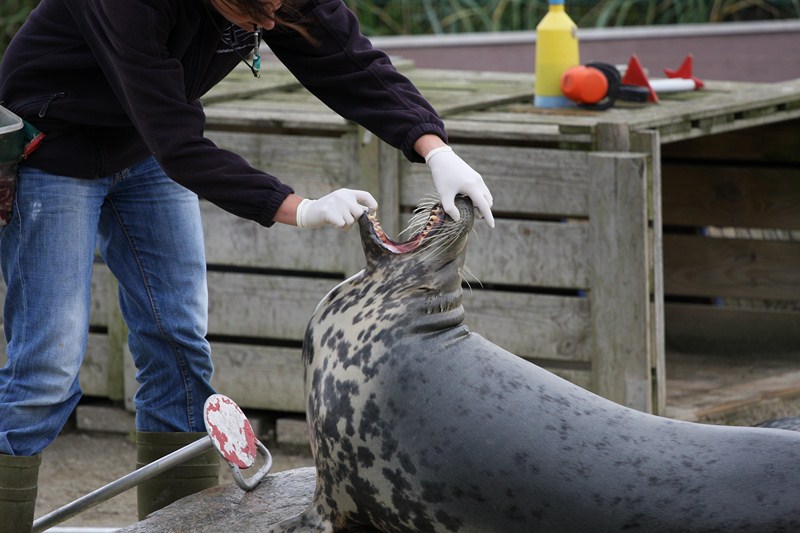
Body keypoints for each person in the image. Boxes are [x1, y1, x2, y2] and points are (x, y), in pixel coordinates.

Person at [0, 0, 494, 528]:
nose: (269, 24)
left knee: (180, 349)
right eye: (253, 14)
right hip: (50, 147)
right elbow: (178, 140)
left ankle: (177, 526)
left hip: (141, 148)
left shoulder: (272, 0)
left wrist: (433, 147)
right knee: (47, 369)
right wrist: (298, 209)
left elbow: (345, 57)